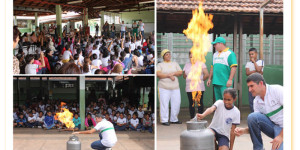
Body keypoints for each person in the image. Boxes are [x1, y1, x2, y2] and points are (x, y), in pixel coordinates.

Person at [234, 73, 283, 150]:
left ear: (260, 83)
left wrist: (281, 136)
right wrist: (244, 131)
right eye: (248, 87)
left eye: (251, 86)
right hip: (275, 128)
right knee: (253, 117)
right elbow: (256, 124)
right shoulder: (256, 101)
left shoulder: (277, 90)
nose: (249, 90)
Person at [157, 49, 183, 126]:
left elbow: (180, 72)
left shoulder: (175, 63)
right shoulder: (160, 65)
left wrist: (173, 73)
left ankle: (174, 119)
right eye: (166, 54)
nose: (168, 55)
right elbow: (158, 74)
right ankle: (164, 120)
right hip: (163, 88)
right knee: (164, 104)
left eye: (169, 54)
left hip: (175, 88)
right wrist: (168, 75)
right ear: (163, 56)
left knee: (176, 103)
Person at [183, 51, 209, 119]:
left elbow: (206, 74)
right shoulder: (187, 65)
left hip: (199, 87)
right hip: (189, 87)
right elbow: (184, 75)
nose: (192, 58)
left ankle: (200, 118)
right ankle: (192, 118)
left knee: (199, 102)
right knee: (191, 103)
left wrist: (200, 80)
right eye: (191, 57)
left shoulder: (201, 64)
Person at [245, 48, 264, 112]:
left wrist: (254, 62)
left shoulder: (261, 62)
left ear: (256, 54)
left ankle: (260, 114)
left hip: (259, 84)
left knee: (259, 99)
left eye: (252, 54)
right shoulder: (248, 63)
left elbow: (259, 70)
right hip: (251, 84)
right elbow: (247, 73)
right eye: (250, 54)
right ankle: (253, 114)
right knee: (251, 100)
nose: (251, 56)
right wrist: (256, 71)